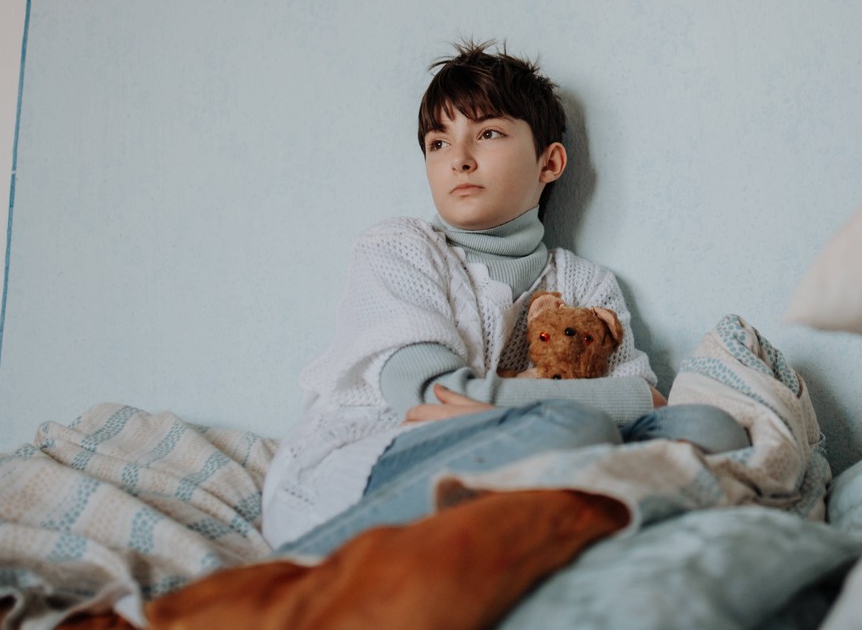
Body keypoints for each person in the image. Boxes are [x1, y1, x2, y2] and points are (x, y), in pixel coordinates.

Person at [260, 42, 749, 553]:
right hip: (363, 468)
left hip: (514, 452)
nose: (460, 160)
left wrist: (512, 412)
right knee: (573, 427)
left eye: (488, 133)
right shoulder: (399, 248)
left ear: (550, 162)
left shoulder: (588, 283)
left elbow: (645, 402)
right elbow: (433, 393)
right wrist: (577, 410)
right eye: (438, 143)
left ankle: (559, 522)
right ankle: (306, 565)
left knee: (709, 427)